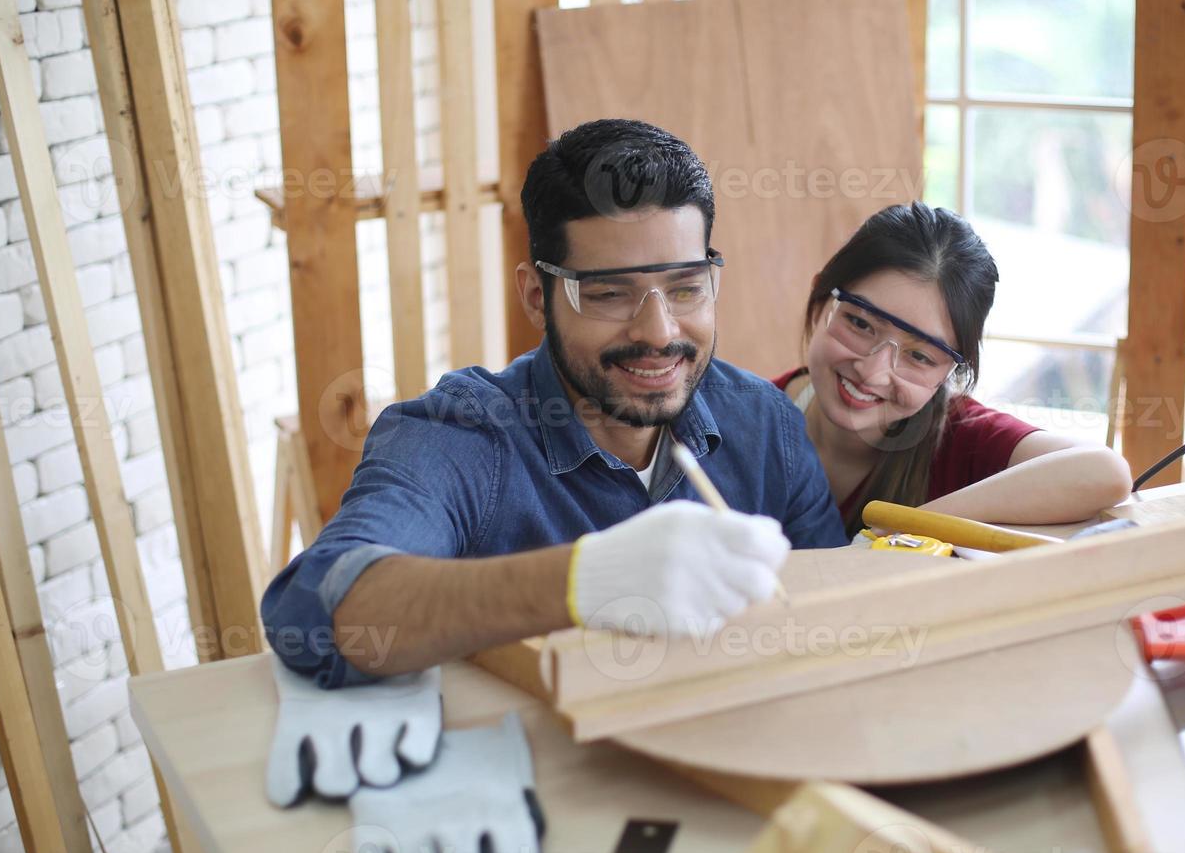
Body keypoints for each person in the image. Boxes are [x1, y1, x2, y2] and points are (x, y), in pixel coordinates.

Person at [261, 119, 845, 687]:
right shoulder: (463, 436)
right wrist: (584, 581)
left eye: (685, 287)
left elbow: (840, 622)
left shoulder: (767, 427)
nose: (658, 332)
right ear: (537, 298)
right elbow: (312, 617)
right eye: (610, 293)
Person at [773, 202, 1133, 537]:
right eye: (860, 324)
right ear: (821, 301)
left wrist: (911, 526)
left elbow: (1106, 473)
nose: (874, 372)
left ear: (949, 372)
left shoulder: (961, 438)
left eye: (921, 357)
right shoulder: (743, 413)